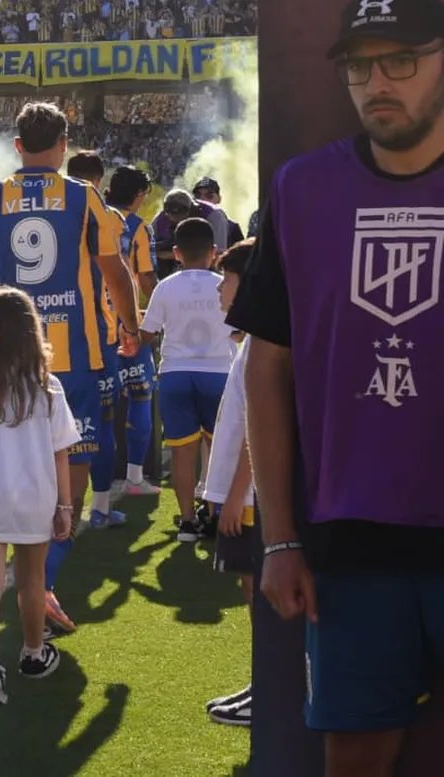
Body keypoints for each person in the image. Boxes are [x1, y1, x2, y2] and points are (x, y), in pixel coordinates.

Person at [229, 0, 444, 777]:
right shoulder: (302, 189)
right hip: (350, 541)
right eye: (359, 66)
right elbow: (267, 366)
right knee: (355, 759)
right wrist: (280, 537)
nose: (377, 83)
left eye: (402, 61)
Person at [0, 102, 140, 636]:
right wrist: (131, 325)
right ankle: (42, 581)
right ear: (64, 145)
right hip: (73, 360)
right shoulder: (83, 195)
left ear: (17, 145)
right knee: (69, 480)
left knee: (2, 466)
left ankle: (4, 576)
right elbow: (113, 269)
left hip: (8, 359)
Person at [0, 287, 78, 707]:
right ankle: (33, 653)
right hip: (36, 498)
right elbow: (61, 452)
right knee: (32, 580)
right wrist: (65, 506)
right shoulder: (48, 386)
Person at [139, 218, 235, 542]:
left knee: (182, 452)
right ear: (214, 252)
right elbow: (238, 332)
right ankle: (214, 516)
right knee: (218, 449)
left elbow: (148, 333)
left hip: (175, 373)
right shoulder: (223, 284)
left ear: (177, 253)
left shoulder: (166, 286)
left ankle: (188, 523)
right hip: (218, 372)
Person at [200, 238, 257, 728]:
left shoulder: (261, 344)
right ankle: (265, 680)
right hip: (245, 494)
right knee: (250, 587)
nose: (219, 289)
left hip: (254, 498)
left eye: (228, 279)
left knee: (260, 589)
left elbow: (261, 425)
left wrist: (237, 493)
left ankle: (275, 686)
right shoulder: (249, 341)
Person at [64, 150, 126, 530]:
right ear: (99, 181)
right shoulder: (109, 217)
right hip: (98, 338)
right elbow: (120, 276)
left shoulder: (52, 213)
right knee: (100, 424)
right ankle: (98, 508)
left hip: (48, 333)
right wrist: (131, 325)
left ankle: (52, 511)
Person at [104, 165, 161, 494]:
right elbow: (147, 277)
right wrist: (163, 311)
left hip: (97, 324)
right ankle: (135, 478)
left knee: (101, 404)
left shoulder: (93, 218)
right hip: (128, 324)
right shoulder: (138, 227)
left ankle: (99, 482)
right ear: (139, 196)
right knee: (140, 395)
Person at [151, 189, 215, 279]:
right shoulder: (159, 221)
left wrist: (169, 255)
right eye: (173, 215)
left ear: (191, 209)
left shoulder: (213, 216)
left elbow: (217, 254)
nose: (177, 219)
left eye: (181, 214)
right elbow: (149, 249)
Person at [192, 177, 245, 247]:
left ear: (219, 199)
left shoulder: (232, 228)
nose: (202, 199)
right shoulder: (185, 223)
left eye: (209, 196)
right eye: (197, 195)